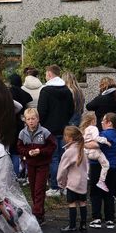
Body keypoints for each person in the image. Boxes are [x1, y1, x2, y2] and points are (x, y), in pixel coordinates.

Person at [37, 65, 74, 196]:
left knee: (53, 158)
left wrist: (42, 124)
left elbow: (41, 111)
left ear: (50, 74)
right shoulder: (67, 90)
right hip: (64, 128)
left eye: (46, 74)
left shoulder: (46, 91)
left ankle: (55, 186)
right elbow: (71, 110)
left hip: (49, 129)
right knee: (65, 158)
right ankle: (64, 186)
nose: (45, 76)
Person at [17, 107, 56, 224]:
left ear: (38, 119)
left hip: (43, 164)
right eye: (28, 119)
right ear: (25, 120)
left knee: (39, 188)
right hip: (30, 164)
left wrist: (41, 151)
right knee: (33, 189)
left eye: (33, 118)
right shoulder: (22, 133)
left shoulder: (45, 132)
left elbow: (52, 146)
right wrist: (27, 153)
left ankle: (37, 215)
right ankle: (40, 212)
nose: (31, 121)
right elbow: (19, 147)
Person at [88, 112, 116, 230]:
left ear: (109, 122)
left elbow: (94, 144)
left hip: (97, 165)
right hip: (112, 166)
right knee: (109, 193)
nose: (101, 123)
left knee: (95, 193)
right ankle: (110, 219)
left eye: (103, 121)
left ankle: (97, 218)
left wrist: (84, 143)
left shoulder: (104, 134)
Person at [57, 126, 89, 233]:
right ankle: (83, 225)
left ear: (70, 138)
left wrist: (61, 182)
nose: (64, 137)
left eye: (66, 135)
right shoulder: (82, 150)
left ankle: (72, 225)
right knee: (83, 202)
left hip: (72, 183)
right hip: (83, 182)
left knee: (72, 203)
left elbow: (62, 170)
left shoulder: (69, 152)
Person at [79, 111, 110, 192]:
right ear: (93, 120)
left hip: (86, 152)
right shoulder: (94, 128)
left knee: (86, 163)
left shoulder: (84, 130)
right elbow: (96, 138)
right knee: (106, 165)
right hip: (95, 152)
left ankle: (86, 175)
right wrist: (105, 141)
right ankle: (101, 181)